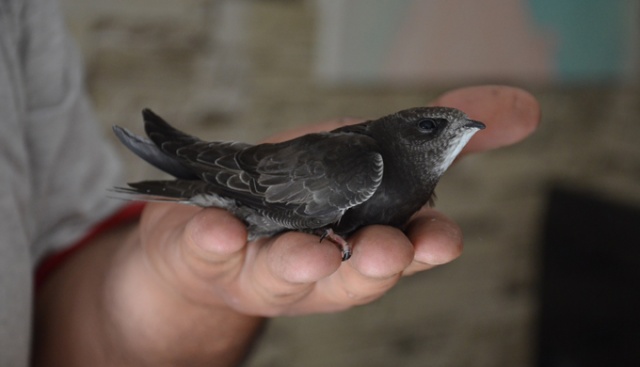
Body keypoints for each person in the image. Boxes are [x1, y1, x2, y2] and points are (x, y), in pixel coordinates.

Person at [0, 0, 540, 365]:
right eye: (433, 128)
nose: (456, 134)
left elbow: (56, 261)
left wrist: (185, 293)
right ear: (402, 136)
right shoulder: (363, 163)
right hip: (252, 187)